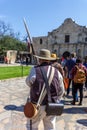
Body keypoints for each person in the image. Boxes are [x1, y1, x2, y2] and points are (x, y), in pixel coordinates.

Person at [26, 49, 64, 130]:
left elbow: (28, 82)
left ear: (40, 59)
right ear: (49, 59)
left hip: (37, 105)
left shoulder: (35, 69)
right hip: (52, 106)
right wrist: (56, 101)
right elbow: (61, 91)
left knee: (32, 127)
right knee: (50, 127)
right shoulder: (57, 72)